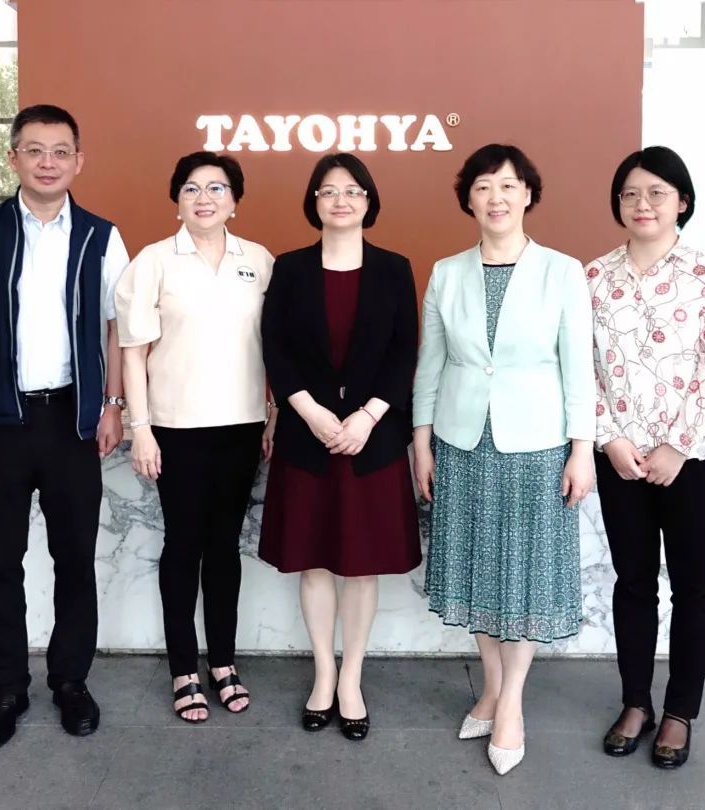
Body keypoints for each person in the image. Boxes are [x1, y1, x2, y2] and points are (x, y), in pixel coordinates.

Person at [0, 104, 129, 750]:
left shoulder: (101, 236)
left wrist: (112, 403)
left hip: (71, 421)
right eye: (35, 150)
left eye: (60, 151)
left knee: (74, 558)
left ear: (79, 161)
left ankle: (70, 681)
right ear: (13, 157)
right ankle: (7, 688)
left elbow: (117, 328)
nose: (48, 162)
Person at [412, 143, 595, 774]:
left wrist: (581, 449)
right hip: (462, 443)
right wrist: (421, 440)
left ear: (528, 195)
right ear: (468, 198)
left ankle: (510, 702)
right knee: (476, 571)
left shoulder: (562, 272)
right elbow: (430, 364)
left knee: (523, 576)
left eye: (509, 185)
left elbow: (578, 368)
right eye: (484, 185)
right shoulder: (446, 272)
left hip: (538, 445)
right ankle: (490, 688)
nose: (497, 197)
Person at [589, 146, 705, 769]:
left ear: (682, 201)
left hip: (691, 460)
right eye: (630, 193)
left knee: (692, 586)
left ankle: (680, 710)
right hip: (620, 458)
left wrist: (678, 446)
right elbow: (579, 368)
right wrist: (610, 438)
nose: (642, 204)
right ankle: (636, 702)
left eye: (656, 192)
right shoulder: (594, 278)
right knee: (632, 583)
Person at [259, 153, 420, 742]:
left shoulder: (394, 269)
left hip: (372, 439)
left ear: (369, 201)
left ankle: (351, 676)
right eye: (328, 191)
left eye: (352, 191)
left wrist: (368, 416)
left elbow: (404, 351)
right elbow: (274, 346)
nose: (341, 200)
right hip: (308, 436)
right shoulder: (290, 268)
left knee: (361, 564)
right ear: (315, 202)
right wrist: (310, 410)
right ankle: (322, 674)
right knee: (314, 559)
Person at [114, 151, 275, 724]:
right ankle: (184, 669)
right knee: (184, 544)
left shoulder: (258, 260)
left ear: (234, 200)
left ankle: (224, 663)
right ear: (177, 200)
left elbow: (273, 347)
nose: (204, 198)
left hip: (241, 427)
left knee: (225, 547)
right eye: (191, 188)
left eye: (216, 187)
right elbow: (132, 354)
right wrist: (141, 429)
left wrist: (273, 413)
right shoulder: (154, 261)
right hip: (175, 429)